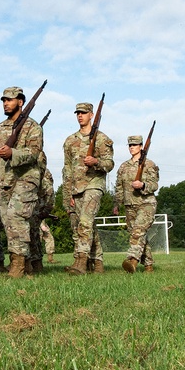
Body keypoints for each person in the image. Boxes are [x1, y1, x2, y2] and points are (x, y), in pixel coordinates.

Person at [0, 86, 44, 279]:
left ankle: (17, 265)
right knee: (8, 222)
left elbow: (34, 153)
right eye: (4, 100)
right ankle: (26, 263)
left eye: (10, 100)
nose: (6, 103)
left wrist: (13, 153)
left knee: (16, 217)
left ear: (20, 102)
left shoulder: (33, 126)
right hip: (6, 180)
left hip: (27, 177)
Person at [62, 102, 114, 275]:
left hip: (94, 184)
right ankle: (97, 262)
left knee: (85, 222)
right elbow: (67, 169)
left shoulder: (101, 138)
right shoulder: (70, 140)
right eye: (77, 113)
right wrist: (67, 192)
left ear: (91, 115)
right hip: (76, 188)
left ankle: (80, 261)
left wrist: (96, 162)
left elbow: (109, 163)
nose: (80, 115)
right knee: (84, 225)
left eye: (83, 113)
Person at [113, 135, 159, 273]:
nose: (132, 147)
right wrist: (117, 203)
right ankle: (148, 265)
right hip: (130, 205)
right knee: (138, 235)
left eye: (135, 145)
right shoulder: (123, 167)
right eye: (130, 145)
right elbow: (119, 187)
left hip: (146, 203)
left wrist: (143, 184)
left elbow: (154, 184)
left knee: (137, 232)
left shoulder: (149, 164)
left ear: (141, 146)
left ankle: (132, 260)